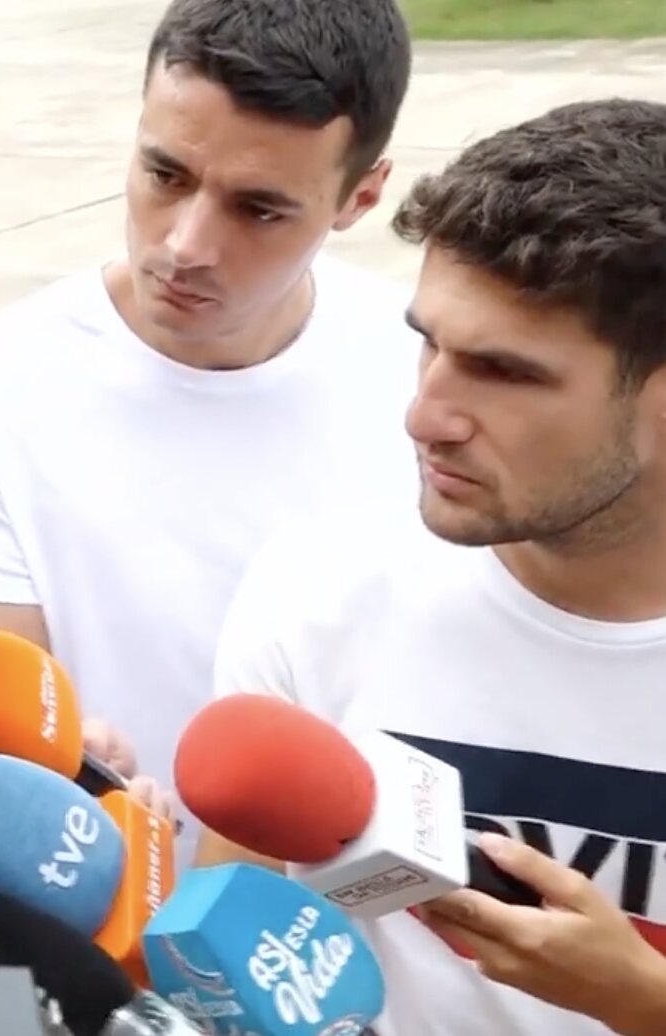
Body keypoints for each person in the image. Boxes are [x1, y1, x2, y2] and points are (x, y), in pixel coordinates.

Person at [0, 0, 420, 861]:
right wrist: (54, 764)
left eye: (257, 209)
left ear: (360, 195)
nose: (185, 245)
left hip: (363, 945)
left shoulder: (421, 372)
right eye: (164, 174)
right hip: (104, 927)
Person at [202, 98, 666, 1035]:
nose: (424, 414)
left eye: (504, 371)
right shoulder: (314, 593)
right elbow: (231, 950)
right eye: (428, 342)